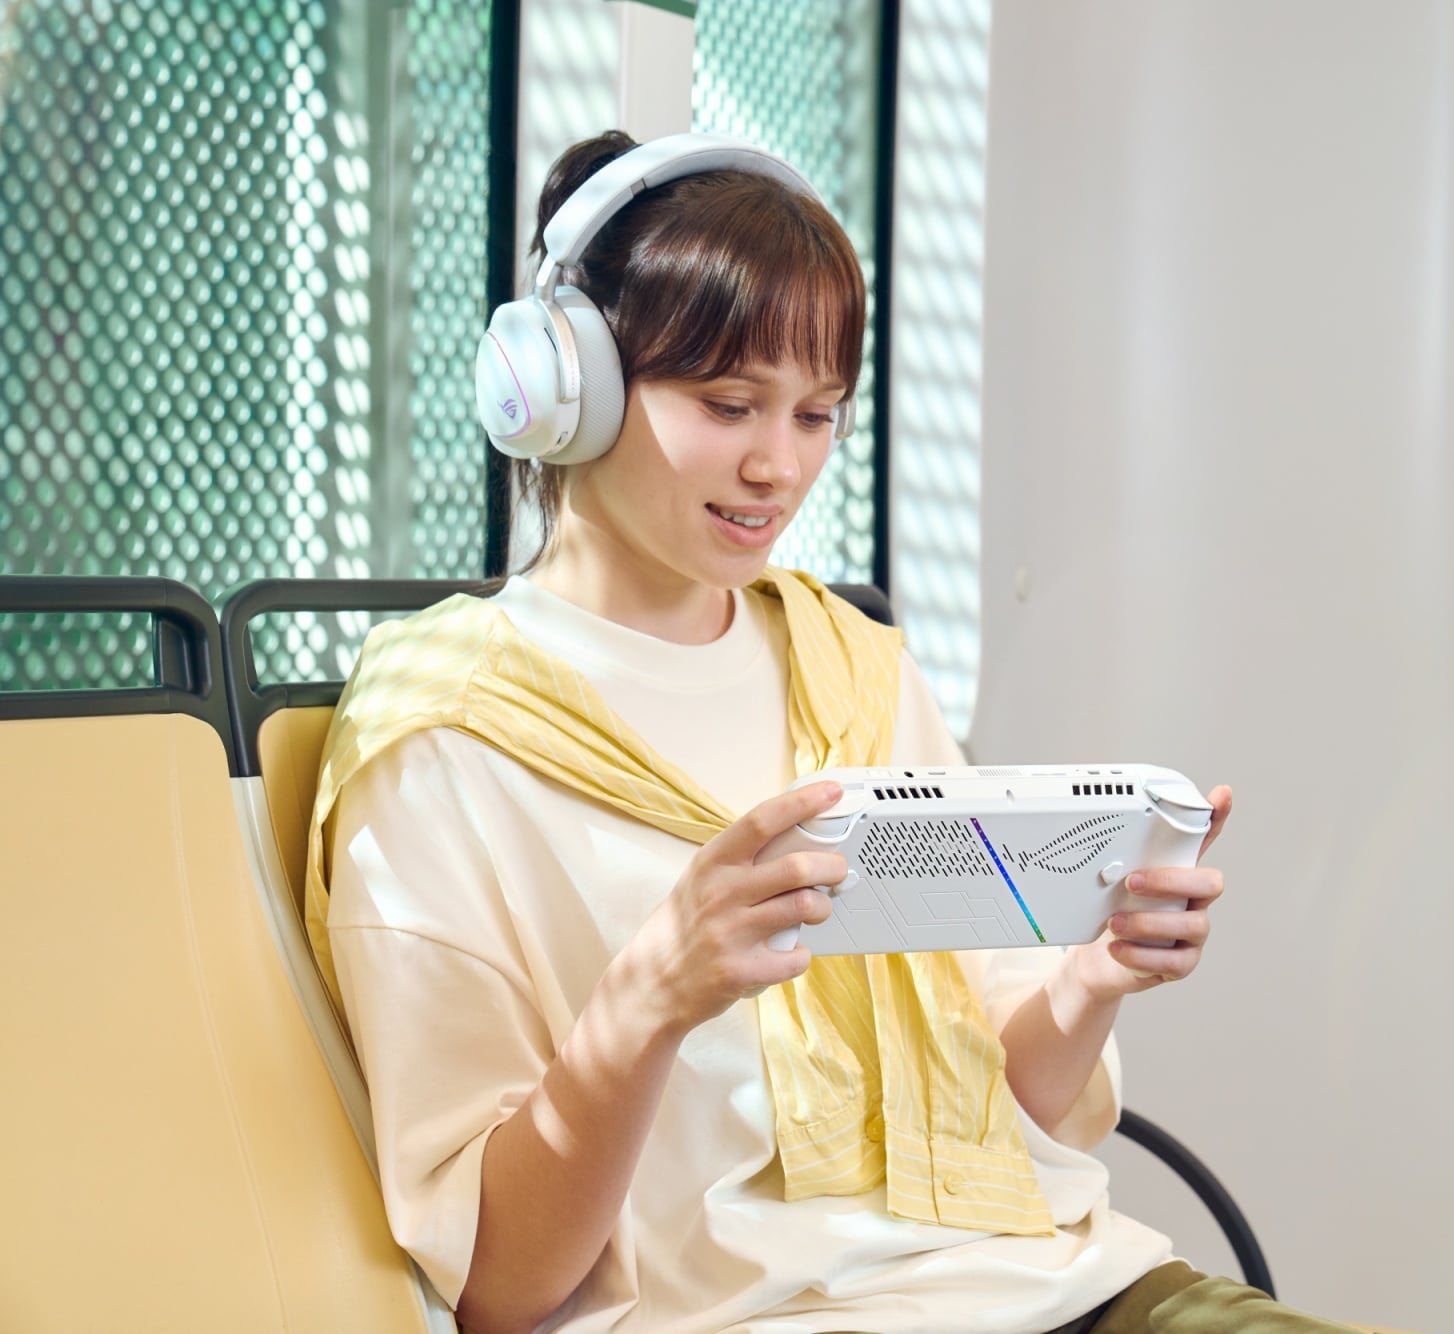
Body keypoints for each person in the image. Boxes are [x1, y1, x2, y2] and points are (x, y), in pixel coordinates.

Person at [312, 130, 1361, 1334]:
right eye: (727, 404)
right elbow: (497, 1287)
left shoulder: (853, 670)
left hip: (1049, 1281)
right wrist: (651, 996)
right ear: (566, 390)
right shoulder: (445, 734)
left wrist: (1093, 974)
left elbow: (1008, 1112)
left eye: (815, 414)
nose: (778, 465)